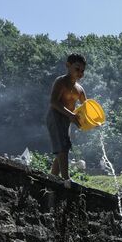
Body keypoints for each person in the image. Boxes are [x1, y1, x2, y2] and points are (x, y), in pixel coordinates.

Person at [47, 53, 87, 189]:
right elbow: (53, 101)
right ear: (68, 66)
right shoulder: (61, 82)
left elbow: (86, 107)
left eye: (82, 71)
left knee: (64, 147)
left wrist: (92, 121)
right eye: (77, 69)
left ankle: (51, 178)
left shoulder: (80, 90)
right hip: (55, 116)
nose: (80, 73)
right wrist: (70, 115)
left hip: (67, 119)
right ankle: (66, 179)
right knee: (62, 146)